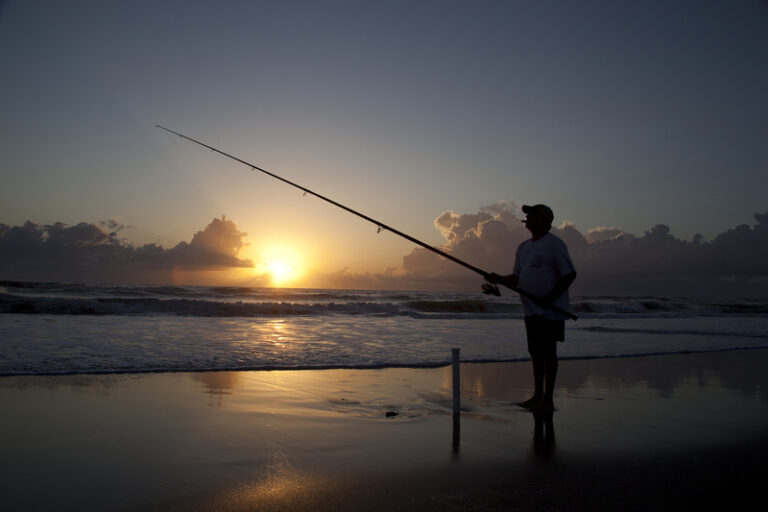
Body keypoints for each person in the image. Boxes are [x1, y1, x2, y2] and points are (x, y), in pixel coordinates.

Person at [487, 204, 576, 411]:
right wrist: (499, 279)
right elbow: (517, 278)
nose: (527, 217)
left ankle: (548, 398)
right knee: (535, 351)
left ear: (544, 219)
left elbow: (569, 274)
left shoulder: (554, 244)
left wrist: (550, 298)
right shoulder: (523, 247)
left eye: (531, 214)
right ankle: (537, 395)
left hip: (551, 310)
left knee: (548, 351)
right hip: (531, 310)